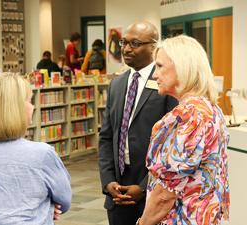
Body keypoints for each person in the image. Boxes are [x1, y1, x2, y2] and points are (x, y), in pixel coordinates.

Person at [136, 35, 230, 225]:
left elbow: (164, 194)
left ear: (182, 67)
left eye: (160, 66)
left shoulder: (187, 117)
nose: (155, 74)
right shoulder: (211, 110)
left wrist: (143, 223)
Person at [0, 74, 71, 225]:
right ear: (15, 108)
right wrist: (48, 208)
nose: (33, 106)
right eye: (29, 101)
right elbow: (64, 200)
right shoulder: (42, 154)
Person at [98, 21, 178, 225]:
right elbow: (107, 137)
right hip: (117, 191)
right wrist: (108, 181)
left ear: (153, 47)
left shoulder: (166, 83)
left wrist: (143, 187)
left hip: (152, 190)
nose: (125, 49)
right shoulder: (116, 84)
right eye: (124, 42)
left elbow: (171, 145)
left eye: (134, 43)